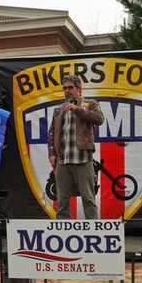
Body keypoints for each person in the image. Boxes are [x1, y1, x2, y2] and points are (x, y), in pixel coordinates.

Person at [47, 74, 105, 219]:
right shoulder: (59, 109)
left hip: (83, 159)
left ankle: (93, 232)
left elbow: (99, 119)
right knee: (62, 201)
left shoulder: (90, 103)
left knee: (88, 198)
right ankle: (62, 234)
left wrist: (77, 109)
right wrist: (51, 154)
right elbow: (52, 133)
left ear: (79, 88)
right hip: (63, 160)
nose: (67, 90)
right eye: (64, 88)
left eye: (70, 87)